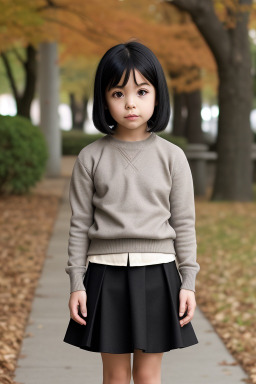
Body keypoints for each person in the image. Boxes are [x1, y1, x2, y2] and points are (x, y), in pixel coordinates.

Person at [63, 40, 200, 384]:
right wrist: (76, 284)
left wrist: (189, 282)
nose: (131, 104)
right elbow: (79, 225)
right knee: (115, 377)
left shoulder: (173, 157)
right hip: (104, 275)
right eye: (118, 94)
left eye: (141, 91)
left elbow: (184, 223)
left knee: (148, 376)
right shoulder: (90, 158)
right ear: (104, 99)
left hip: (159, 275)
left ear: (157, 95)